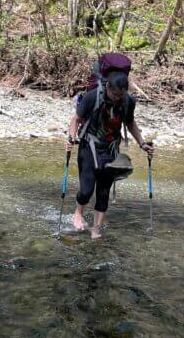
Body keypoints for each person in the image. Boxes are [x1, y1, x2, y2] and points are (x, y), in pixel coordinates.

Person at [66, 70, 154, 239]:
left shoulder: (127, 102)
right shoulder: (92, 97)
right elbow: (75, 119)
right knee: (86, 190)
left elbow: (130, 123)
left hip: (111, 150)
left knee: (103, 192)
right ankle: (78, 214)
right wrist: (70, 137)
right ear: (107, 87)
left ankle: (96, 229)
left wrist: (142, 143)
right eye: (114, 94)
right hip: (89, 147)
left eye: (121, 94)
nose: (117, 98)